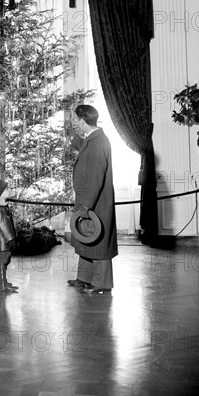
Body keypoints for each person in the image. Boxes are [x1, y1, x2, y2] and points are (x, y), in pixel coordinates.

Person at [67, 104, 118, 295]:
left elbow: (96, 176)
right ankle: (84, 278)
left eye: (76, 120)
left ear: (82, 120)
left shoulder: (98, 143)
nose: (75, 124)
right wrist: (71, 132)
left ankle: (102, 284)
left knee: (98, 242)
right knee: (85, 238)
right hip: (88, 200)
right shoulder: (94, 139)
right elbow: (81, 144)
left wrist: (86, 206)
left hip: (94, 202)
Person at [0, 179, 19, 293]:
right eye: (6, 189)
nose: (9, 190)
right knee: (2, 262)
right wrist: (11, 239)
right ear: (0, 193)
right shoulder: (1, 209)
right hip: (2, 243)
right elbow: (4, 225)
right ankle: (1, 285)